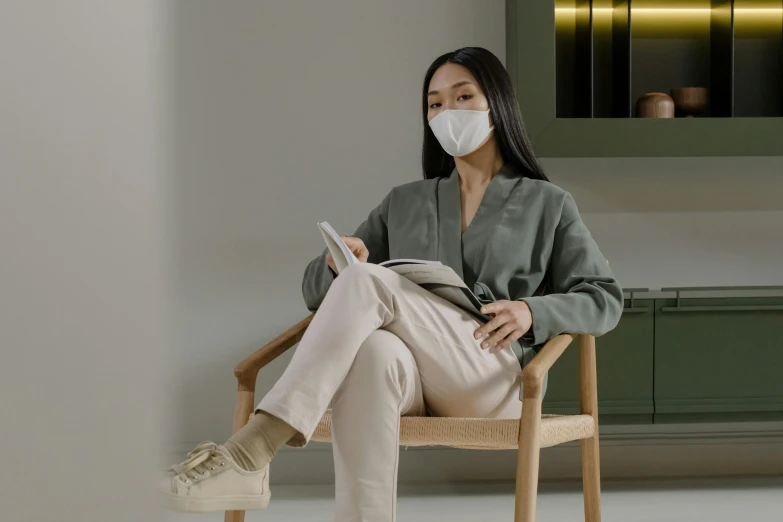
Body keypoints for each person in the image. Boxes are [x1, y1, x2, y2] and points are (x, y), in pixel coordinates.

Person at [161, 47, 623, 521]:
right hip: (413, 380)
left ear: (498, 105)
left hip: (492, 378)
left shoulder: (548, 203)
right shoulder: (404, 202)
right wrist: (340, 265)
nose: (448, 113)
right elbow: (317, 294)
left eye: (463, 97)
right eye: (435, 104)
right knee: (372, 352)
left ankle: (251, 451)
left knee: (369, 285)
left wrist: (532, 311)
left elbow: (605, 297)